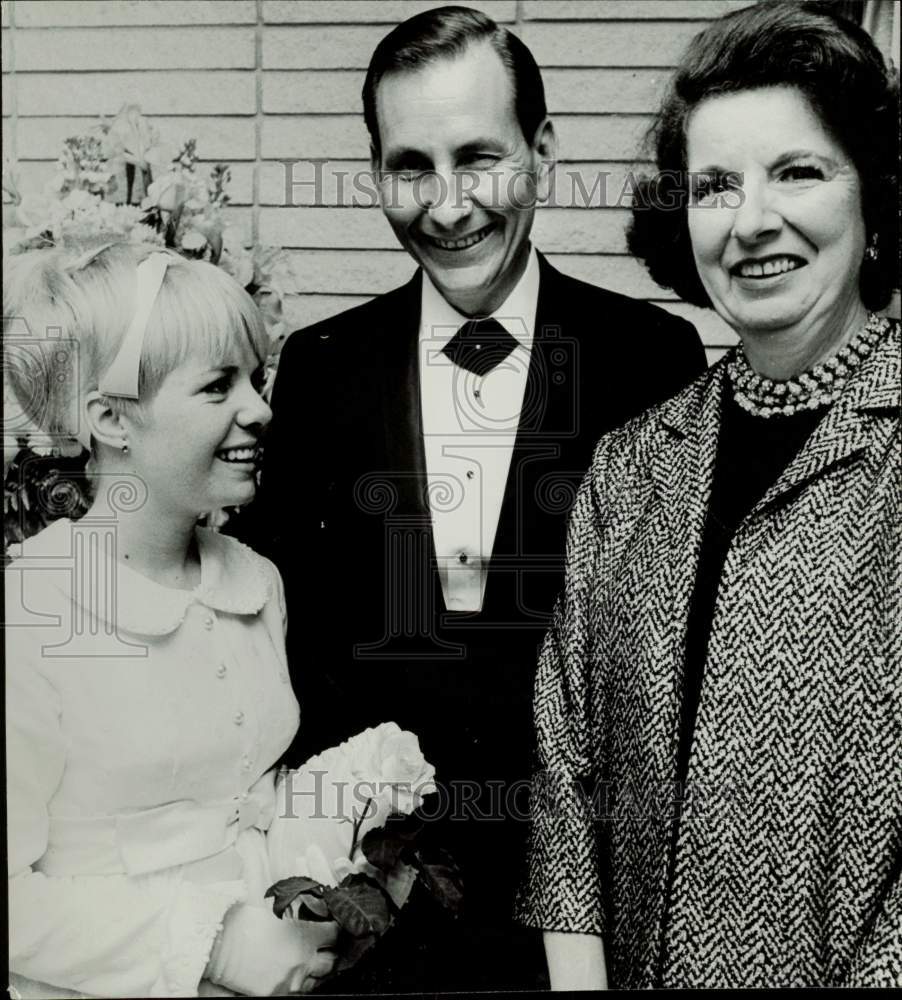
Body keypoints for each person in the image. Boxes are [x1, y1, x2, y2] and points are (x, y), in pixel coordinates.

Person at [237, 5, 705, 993]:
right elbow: (290, 640)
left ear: (539, 150)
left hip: (587, 921)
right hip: (363, 923)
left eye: (477, 157)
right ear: (373, 172)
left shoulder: (649, 358)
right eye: (410, 165)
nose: (446, 205)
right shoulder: (319, 369)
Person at [517, 1, 900, 989]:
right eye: (714, 184)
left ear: (876, 198)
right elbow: (566, 763)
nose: (751, 219)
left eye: (798, 172)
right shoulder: (630, 462)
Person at [5, 242, 338, 997]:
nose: (260, 407)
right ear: (111, 419)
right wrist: (211, 946)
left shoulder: (255, 582)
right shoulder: (35, 614)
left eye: (256, 377)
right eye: (219, 385)